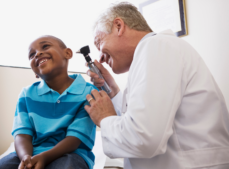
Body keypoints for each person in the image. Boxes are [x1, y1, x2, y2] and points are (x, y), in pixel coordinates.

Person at [84, 2, 229, 169]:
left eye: (99, 44)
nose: (100, 58)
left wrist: (104, 118)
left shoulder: (155, 46)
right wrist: (114, 91)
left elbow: (144, 138)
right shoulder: (156, 51)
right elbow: (137, 122)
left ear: (118, 26)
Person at [0, 35, 97, 169]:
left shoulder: (89, 93)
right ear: (35, 72)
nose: (38, 53)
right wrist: (26, 158)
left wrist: (44, 157)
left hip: (71, 154)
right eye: (31, 55)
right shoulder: (26, 94)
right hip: (30, 154)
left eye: (45, 46)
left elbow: (75, 138)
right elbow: (22, 134)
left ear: (68, 53)